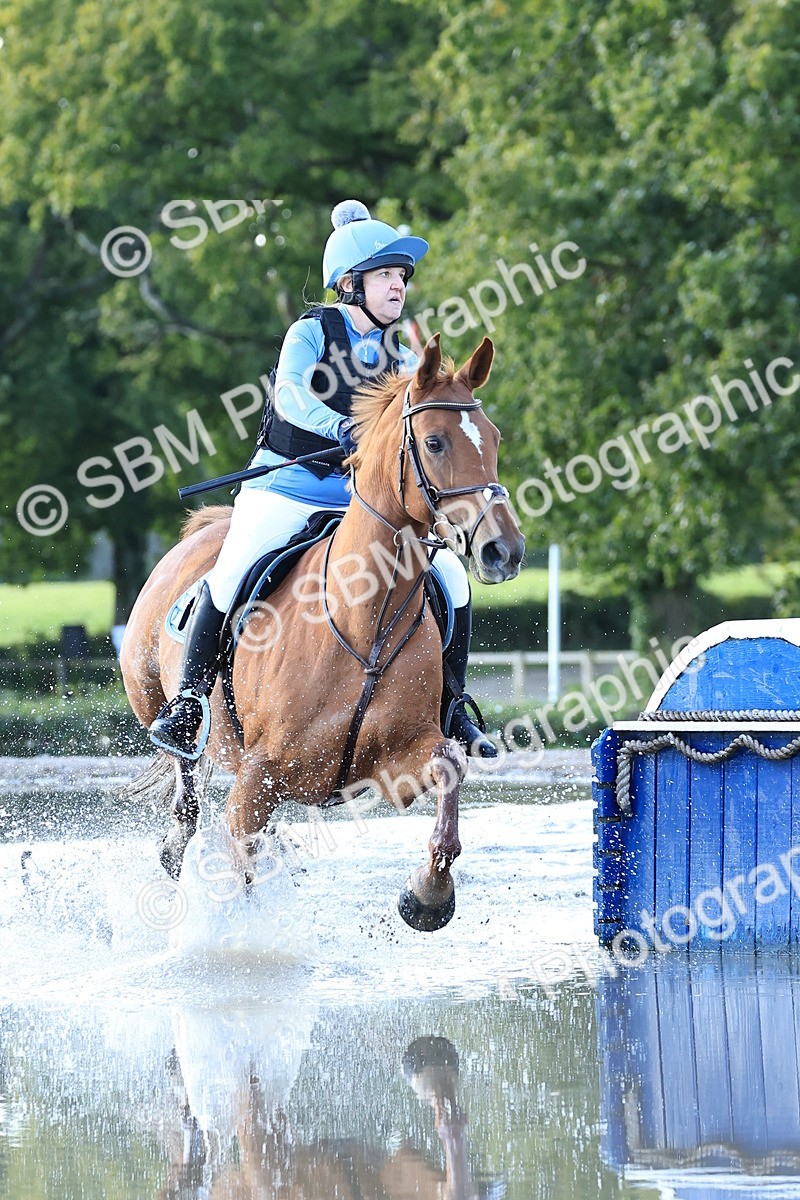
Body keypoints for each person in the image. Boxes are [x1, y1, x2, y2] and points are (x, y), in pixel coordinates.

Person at [149, 200, 496, 760]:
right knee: (233, 568)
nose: (398, 286)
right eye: (385, 275)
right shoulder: (308, 332)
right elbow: (289, 396)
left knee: (451, 575)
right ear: (350, 284)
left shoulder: (404, 357)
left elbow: (433, 413)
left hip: (360, 503)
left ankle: (451, 706)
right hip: (284, 490)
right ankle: (188, 701)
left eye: (402, 277)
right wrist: (337, 425)